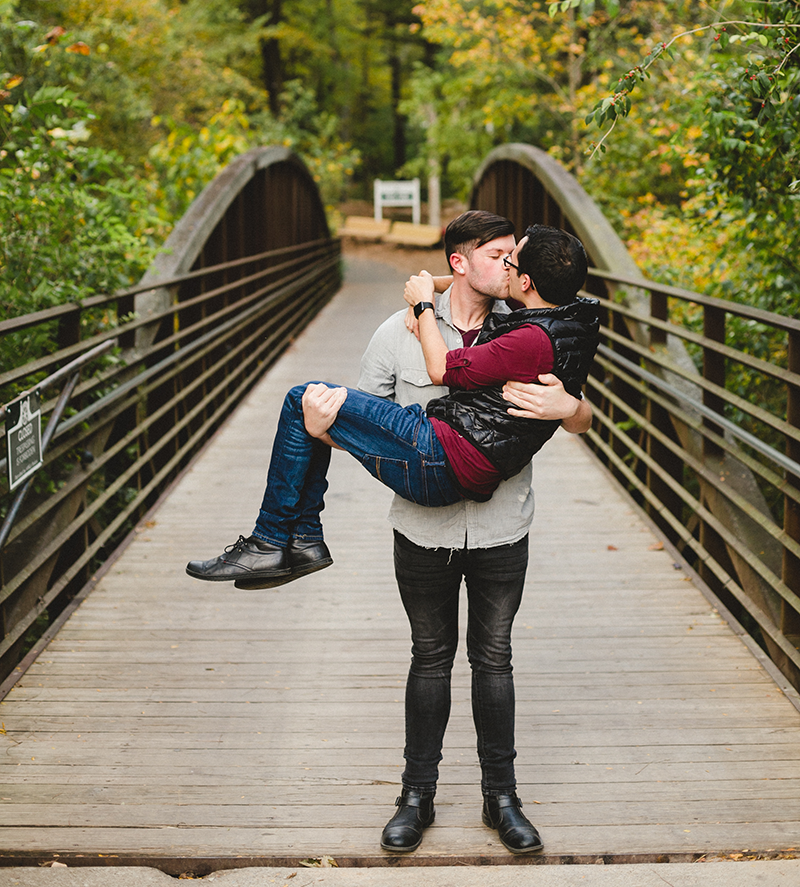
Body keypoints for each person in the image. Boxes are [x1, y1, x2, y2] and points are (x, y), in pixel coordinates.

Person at [186, 215, 599, 854]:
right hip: (422, 521)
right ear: (463, 263)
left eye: (513, 258)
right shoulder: (395, 334)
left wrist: (573, 409)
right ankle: (416, 797)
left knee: (495, 661)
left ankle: (503, 799)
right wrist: (334, 425)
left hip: (500, 525)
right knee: (429, 659)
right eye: (496, 254)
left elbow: (582, 411)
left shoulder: (522, 327)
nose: (508, 266)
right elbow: (360, 420)